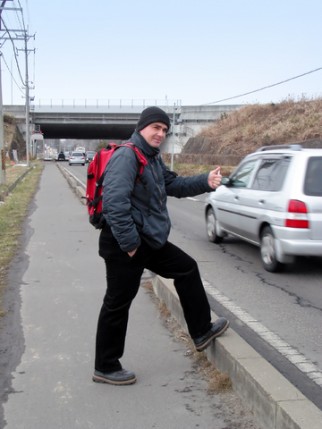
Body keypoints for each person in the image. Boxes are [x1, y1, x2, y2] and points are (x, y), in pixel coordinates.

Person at [93, 106, 229, 386]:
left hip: (145, 240)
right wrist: (131, 246)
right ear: (142, 127)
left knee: (186, 268)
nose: (161, 133)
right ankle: (105, 366)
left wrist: (206, 180)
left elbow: (175, 184)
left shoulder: (151, 158)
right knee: (118, 303)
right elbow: (115, 204)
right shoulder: (127, 156)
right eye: (156, 127)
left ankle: (201, 331)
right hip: (124, 242)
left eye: (165, 130)